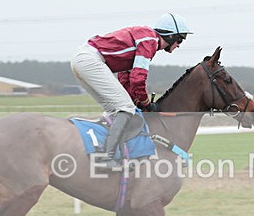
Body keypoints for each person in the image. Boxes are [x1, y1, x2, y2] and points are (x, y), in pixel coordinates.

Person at [70, 13, 193, 170]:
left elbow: (125, 78)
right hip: (90, 60)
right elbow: (138, 79)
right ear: (170, 36)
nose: (179, 45)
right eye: (180, 39)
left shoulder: (146, 39)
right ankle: (107, 157)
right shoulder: (150, 41)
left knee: (115, 109)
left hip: (83, 60)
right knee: (125, 108)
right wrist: (146, 103)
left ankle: (104, 149)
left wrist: (137, 102)